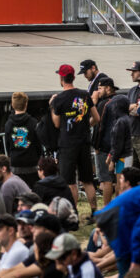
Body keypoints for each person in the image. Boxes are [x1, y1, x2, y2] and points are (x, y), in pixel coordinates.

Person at [50, 64, 100, 219]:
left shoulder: (58, 99)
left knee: (70, 182)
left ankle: (73, 214)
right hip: (84, 142)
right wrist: (86, 125)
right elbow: (96, 118)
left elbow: (56, 124)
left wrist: (52, 106)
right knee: (87, 180)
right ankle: (95, 212)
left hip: (67, 144)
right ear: (73, 77)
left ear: (61, 78)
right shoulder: (84, 94)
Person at [93, 80, 123, 205]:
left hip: (105, 147)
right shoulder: (121, 101)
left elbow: (99, 127)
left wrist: (96, 145)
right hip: (121, 146)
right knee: (119, 178)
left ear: (108, 88)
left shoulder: (103, 104)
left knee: (106, 180)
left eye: (100, 88)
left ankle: (107, 208)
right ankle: (119, 206)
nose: (98, 91)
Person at [4, 91, 42, 187]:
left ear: (12, 105)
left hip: (15, 163)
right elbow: (38, 143)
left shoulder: (8, 124)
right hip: (31, 162)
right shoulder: (33, 122)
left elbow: (8, 144)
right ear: (26, 104)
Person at [107, 96, 134, 193]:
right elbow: (116, 142)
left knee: (122, 184)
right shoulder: (124, 119)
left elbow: (119, 144)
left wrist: (112, 161)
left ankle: (122, 201)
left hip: (123, 157)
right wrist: (110, 154)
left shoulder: (121, 121)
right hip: (122, 156)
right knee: (120, 184)